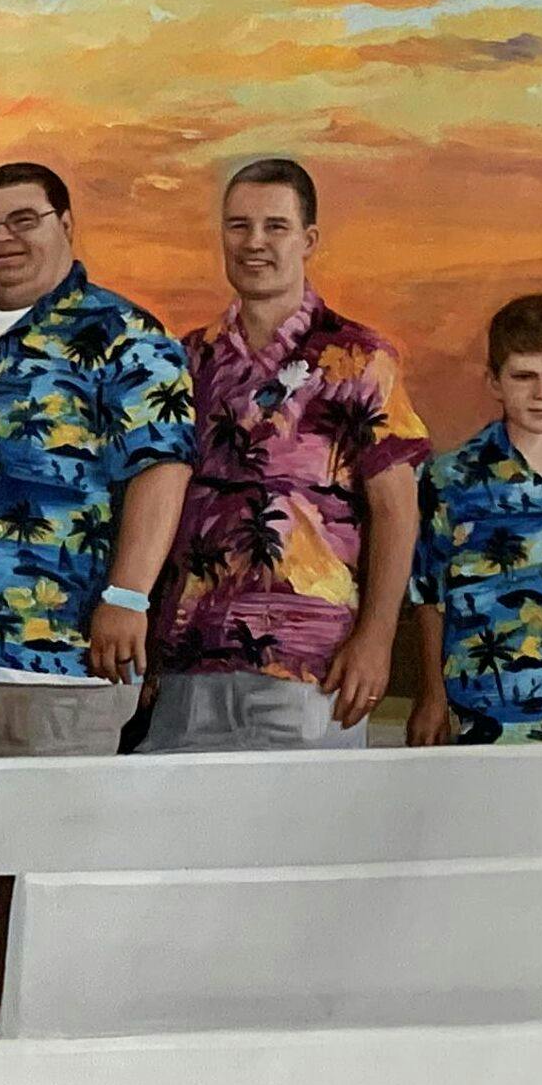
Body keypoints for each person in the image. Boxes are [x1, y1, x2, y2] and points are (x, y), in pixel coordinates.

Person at [0, 164, 193, 1027]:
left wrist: (129, 594)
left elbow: (160, 468)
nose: (3, 239)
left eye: (23, 219)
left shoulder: (122, 334)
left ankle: (69, 1034)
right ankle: (12, 1024)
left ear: (67, 224)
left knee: (62, 861)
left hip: (62, 652)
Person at [153, 158, 429, 751]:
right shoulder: (185, 360)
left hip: (311, 663)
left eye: (275, 226)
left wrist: (376, 639)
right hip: (189, 658)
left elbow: (396, 510)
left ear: (308, 240)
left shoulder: (358, 358)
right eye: (239, 226)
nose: (254, 242)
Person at [410, 295, 542, 745]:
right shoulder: (447, 479)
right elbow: (427, 595)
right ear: (494, 382)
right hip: (477, 715)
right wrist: (432, 698)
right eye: (524, 376)